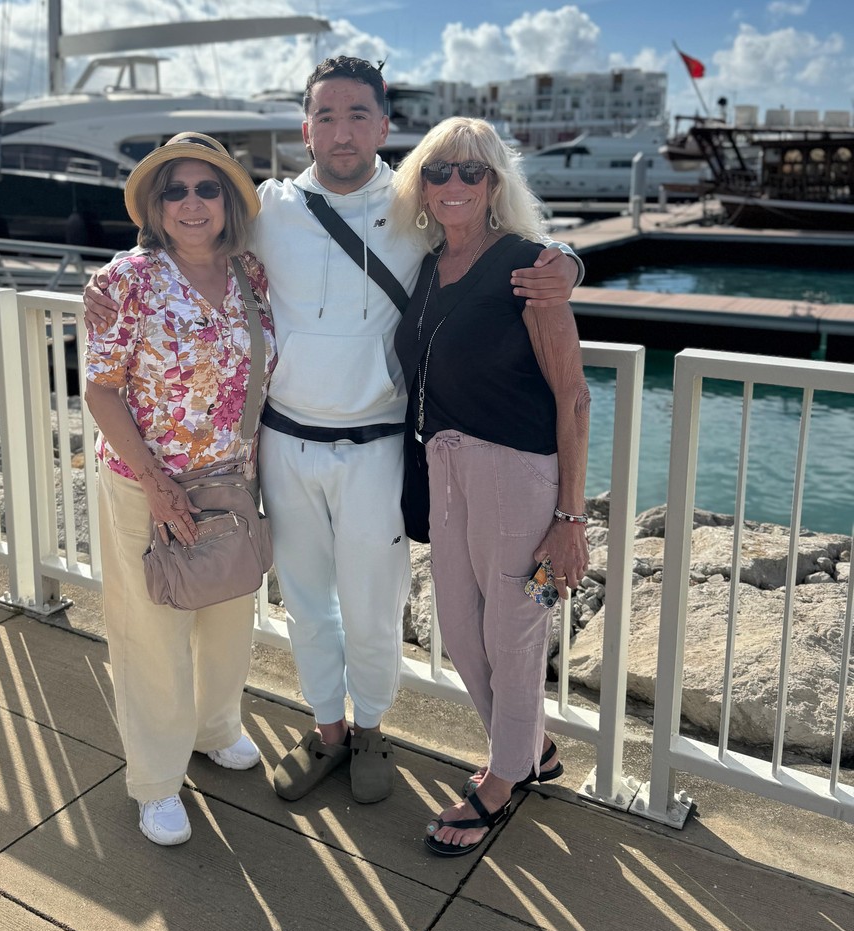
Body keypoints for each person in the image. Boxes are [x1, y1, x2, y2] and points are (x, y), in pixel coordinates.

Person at [83, 57, 583, 809]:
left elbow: (496, 237)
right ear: (305, 128)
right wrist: (105, 278)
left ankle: (373, 727)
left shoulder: (415, 203)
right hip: (284, 444)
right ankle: (327, 728)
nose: (342, 132)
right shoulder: (270, 209)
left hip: (379, 446)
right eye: (326, 116)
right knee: (307, 604)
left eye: (358, 116)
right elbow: (187, 241)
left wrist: (568, 263)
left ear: (384, 126)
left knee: (376, 606)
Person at [391, 117, 590, 856]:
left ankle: (505, 777)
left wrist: (571, 517)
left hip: (517, 472)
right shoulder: (426, 265)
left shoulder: (528, 266)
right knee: (460, 625)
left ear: (494, 184)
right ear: (420, 183)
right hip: (444, 466)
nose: (454, 184)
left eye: (471, 171)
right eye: (438, 171)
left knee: (514, 631)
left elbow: (573, 396)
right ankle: (533, 748)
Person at [83, 133, 277, 846]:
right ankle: (156, 780)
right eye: (175, 191)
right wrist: (155, 481)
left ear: (228, 202)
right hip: (150, 483)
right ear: (156, 207)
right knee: (152, 630)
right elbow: (101, 390)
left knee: (228, 610)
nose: (192, 204)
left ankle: (214, 728)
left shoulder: (250, 272)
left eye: (207, 189)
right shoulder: (128, 280)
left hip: (231, 477)